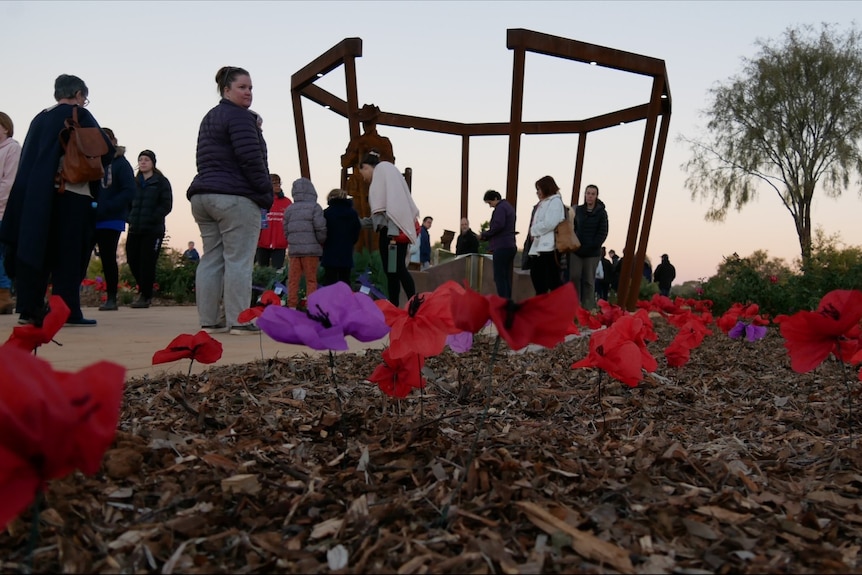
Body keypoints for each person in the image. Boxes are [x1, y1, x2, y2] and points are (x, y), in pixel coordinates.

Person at [0, 74, 114, 327]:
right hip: (72, 194)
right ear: (79, 94)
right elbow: (105, 149)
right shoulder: (78, 114)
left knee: (37, 251)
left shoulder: (39, 118)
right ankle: (67, 311)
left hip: (37, 198)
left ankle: (29, 310)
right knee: (69, 255)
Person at [187, 66, 272, 335]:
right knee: (239, 260)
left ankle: (209, 321)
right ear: (226, 90)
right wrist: (265, 192)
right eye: (242, 87)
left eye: (250, 88)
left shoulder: (210, 117)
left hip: (203, 195)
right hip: (234, 198)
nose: (248, 92)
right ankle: (239, 320)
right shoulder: (241, 118)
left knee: (211, 258)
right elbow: (251, 159)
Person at [359, 150, 418, 306]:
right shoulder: (389, 171)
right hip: (396, 229)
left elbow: (382, 212)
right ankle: (397, 304)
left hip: (391, 233)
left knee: (397, 269)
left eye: (363, 172)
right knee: (393, 271)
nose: (364, 178)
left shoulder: (381, 172)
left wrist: (360, 222)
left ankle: (413, 302)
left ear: (366, 167)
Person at [341, 104, 395, 252]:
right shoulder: (357, 141)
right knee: (357, 224)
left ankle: (376, 257)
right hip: (358, 190)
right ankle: (359, 258)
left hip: (378, 190)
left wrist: (373, 153)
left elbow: (390, 163)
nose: (367, 125)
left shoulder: (384, 142)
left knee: (378, 224)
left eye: (369, 121)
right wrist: (356, 150)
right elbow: (345, 163)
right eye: (365, 122)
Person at [92, 128, 135, 311]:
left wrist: (108, 206)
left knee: (108, 257)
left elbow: (129, 190)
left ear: (113, 141)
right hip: (91, 216)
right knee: (79, 256)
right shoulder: (93, 161)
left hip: (111, 218)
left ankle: (111, 297)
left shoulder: (121, 164)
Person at [126, 150, 172, 309]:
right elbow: (127, 202)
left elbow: (166, 204)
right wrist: (129, 217)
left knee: (147, 263)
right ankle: (144, 288)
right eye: (140, 159)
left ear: (153, 162)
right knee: (132, 260)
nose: (143, 162)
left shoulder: (161, 182)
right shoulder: (134, 182)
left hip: (153, 230)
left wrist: (154, 217)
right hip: (135, 229)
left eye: (146, 159)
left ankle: (145, 296)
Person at [283, 177, 326, 308]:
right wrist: (321, 241)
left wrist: (292, 242)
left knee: (293, 280)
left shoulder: (290, 209)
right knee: (311, 279)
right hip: (311, 250)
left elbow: (285, 229)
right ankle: (311, 307)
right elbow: (320, 227)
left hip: (295, 250)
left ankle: (291, 306)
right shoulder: (315, 207)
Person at [569, 184, 608, 309]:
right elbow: (572, 227)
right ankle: (574, 306)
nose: (590, 196)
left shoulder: (601, 213)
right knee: (574, 276)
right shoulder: (578, 210)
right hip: (577, 250)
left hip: (592, 252)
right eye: (588, 193)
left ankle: (588, 308)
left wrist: (593, 245)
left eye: (592, 194)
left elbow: (603, 232)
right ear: (584, 195)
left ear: (596, 196)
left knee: (588, 281)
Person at [526, 176, 566, 295]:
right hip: (539, 246)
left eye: (539, 189)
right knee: (538, 279)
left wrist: (533, 230)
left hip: (549, 248)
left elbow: (550, 223)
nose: (537, 192)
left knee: (550, 280)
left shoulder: (555, 202)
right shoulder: (544, 203)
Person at [0, 111, 22, 315]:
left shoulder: (12, 149)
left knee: (1, 255)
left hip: (4, 211)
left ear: (5, 128)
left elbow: (9, 183)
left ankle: (4, 296)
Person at [480, 190, 517, 299]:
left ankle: (503, 303)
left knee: (499, 277)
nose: (490, 206)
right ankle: (508, 302)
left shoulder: (500, 208)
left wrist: (485, 235)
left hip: (501, 246)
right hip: (510, 245)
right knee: (506, 277)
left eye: (490, 203)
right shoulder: (509, 207)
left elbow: (498, 225)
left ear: (496, 199)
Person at [321, 188, 361, 286]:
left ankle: (330, 301)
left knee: (330, 281)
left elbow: (322, 231)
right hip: (346, 251)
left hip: (330, 251)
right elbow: (356, 232)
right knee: (345, 280)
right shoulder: (353, 213)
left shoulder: (326, 213)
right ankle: (345, 301)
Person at [256, 173, 292, 269]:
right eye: (274, 183)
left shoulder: (287, 202)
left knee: (278, 271)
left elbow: (289, 223)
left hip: (280, 243)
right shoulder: (262, 200)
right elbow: (261, 221)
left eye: (279, 183)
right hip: (263, 243)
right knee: (262, 271)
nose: (277, 186)